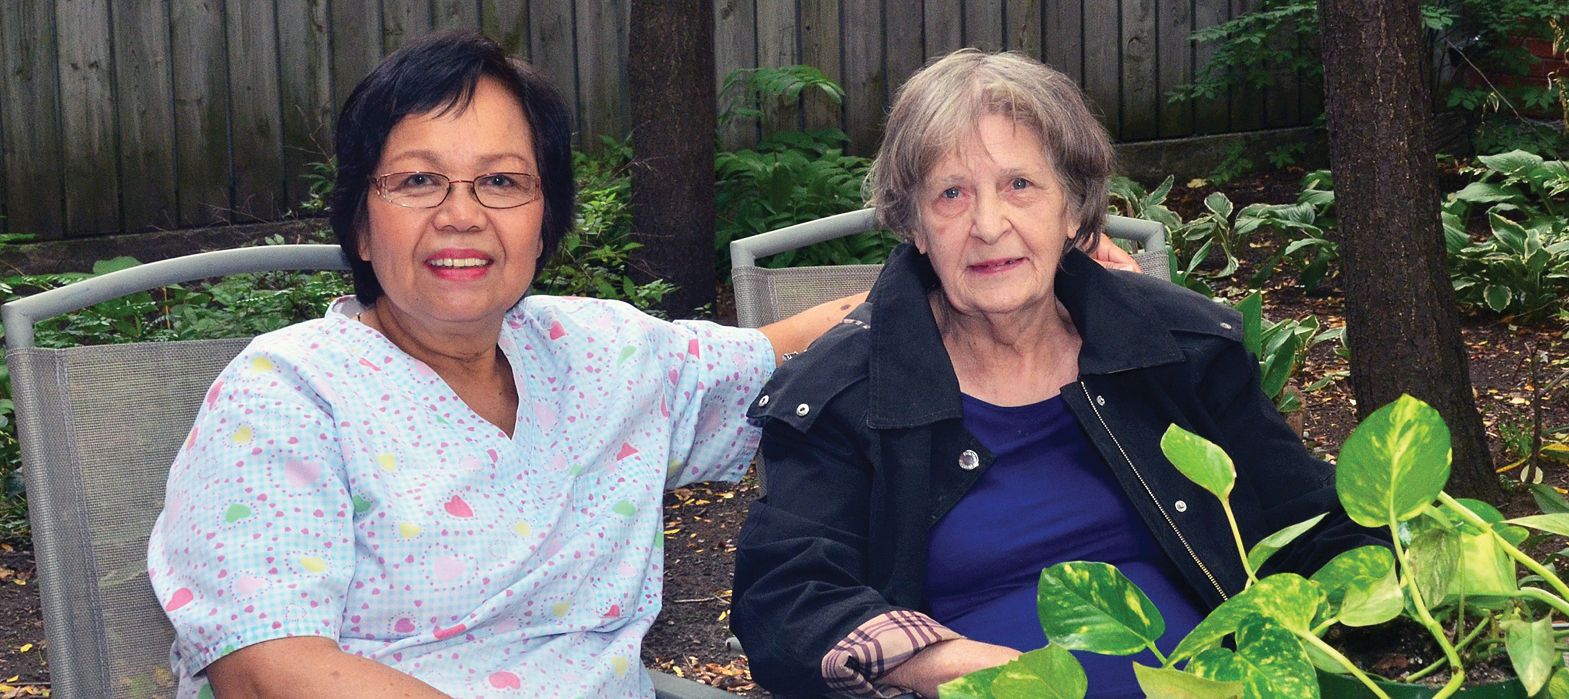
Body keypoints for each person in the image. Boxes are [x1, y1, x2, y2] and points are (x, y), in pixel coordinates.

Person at [143, 31, 859, 699]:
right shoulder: (286, 392)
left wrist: (958, 268)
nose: (462, 214)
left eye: (502, 181)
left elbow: (794, 346)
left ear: (544, 220)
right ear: (360, 224)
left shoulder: (604, 353)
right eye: (419, 180)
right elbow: (270, 667)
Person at [730, 49, 1381, 699]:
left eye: (1019, 184)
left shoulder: (1177, 348)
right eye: (951, 193)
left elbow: (1308, 523)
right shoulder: (842, 392)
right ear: (915, 225)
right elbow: (785, 601)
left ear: (1072, 207)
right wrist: (954, 666)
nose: (988, 225)